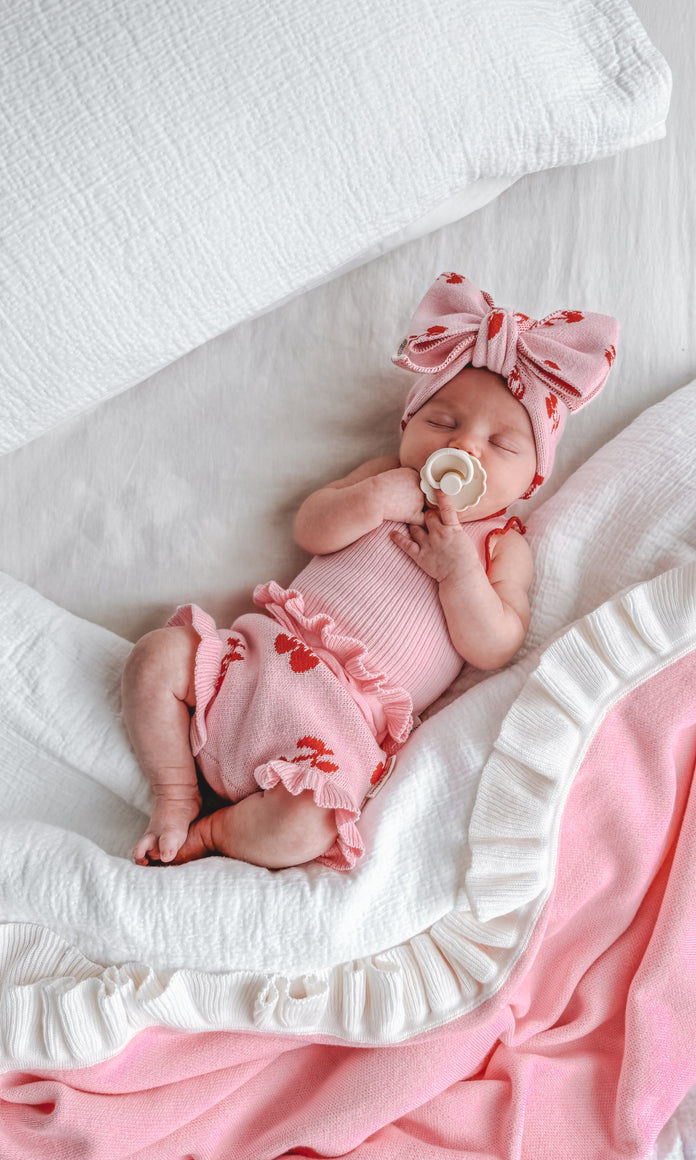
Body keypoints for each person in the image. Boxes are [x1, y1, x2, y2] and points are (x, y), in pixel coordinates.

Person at [121, 272, 619, 872]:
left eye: (503, 444)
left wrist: (458, 572)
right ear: (409, 426)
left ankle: (214, 833)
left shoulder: (500, 546)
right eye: (442, 422)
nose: (466, 447)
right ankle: (175, 795)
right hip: (261, 656)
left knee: (306, 825)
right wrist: (376, 500)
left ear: (532, 474)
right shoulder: (386, 475)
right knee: (157, 655)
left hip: (339, 726)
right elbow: (311, 528)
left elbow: (495, 646)